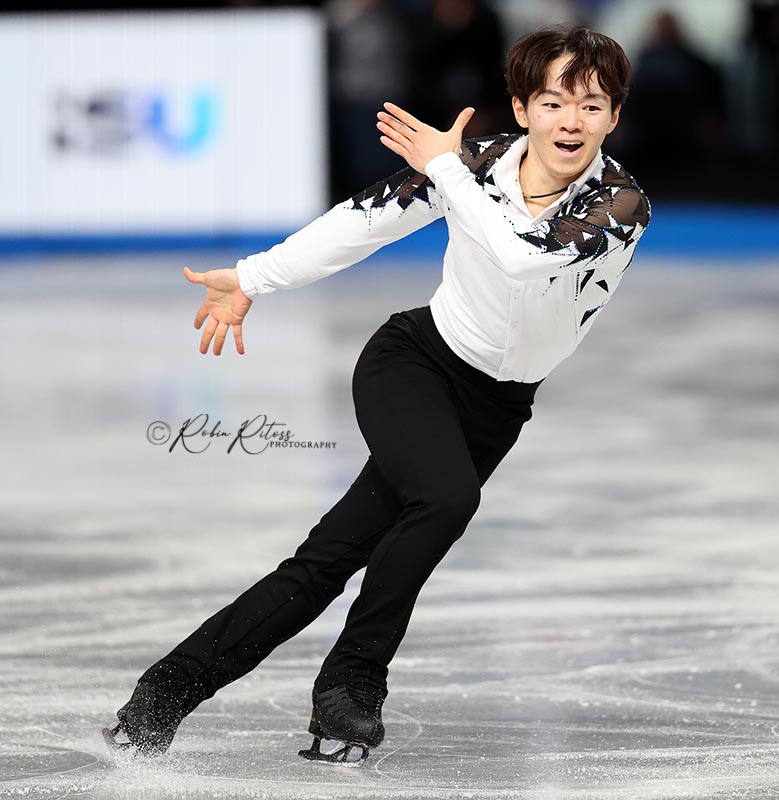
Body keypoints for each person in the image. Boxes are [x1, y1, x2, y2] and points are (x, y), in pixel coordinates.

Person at [103, 25, 651, 765]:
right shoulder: (474, 164)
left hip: (497, 407)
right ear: (523, 109)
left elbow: (523, 259)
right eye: (553, 102)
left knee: (326, 560)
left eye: (591, 105)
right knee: (446, 501)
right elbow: (363, 222)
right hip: (415, 364)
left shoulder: (619, 204)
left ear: (613, 117)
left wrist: (446, 171)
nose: (570, 121)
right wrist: (253, 277)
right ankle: (351, 684)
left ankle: (162, 695)